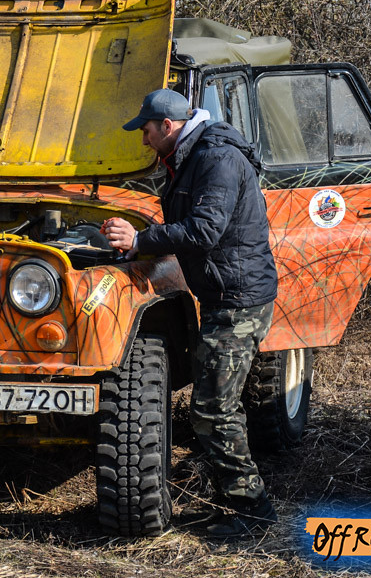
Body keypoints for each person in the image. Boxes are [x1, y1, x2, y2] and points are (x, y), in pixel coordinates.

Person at [101, 88, 279, 538]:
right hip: (226, 294)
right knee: (215, 405)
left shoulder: (216, 158)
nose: (143, 139)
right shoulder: (190, 156)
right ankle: (233, 501)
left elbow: (204, 230)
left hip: (238, 300)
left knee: (213, 410)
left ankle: (252, 511)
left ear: (168, 125)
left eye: (146, 130)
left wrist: (141, 241)